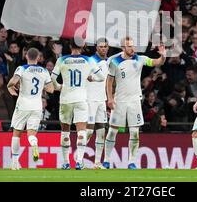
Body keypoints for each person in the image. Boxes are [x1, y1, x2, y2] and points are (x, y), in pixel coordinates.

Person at [103, 37, 166, 170]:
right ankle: (106, 160)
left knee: (135, 132)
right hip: (119, 101)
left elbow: (156, 62)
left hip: (135, 101)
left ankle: (132, 162)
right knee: (113, 131)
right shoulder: (115, 62)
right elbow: (109, 82)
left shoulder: (140, 59)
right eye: (129, 46)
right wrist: (110, 98)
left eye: (133, 46)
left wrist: (163, 56)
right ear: (123, 48)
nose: (133, 49)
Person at [51, 39, 105, 170]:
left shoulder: (62, 60)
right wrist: (91, 78)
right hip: (81, 99)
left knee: (65, 131)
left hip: (65, 99)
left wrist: (59, 87)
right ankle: (79, 161)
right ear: (82, 47)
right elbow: (102, 77)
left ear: (70, 46)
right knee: (81, 131)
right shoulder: (88, 60)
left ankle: (65, 162)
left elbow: (52, 78)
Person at [6, 48, 54, 171]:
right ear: (38, 58)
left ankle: (15, 163)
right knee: (31, 133)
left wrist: (11, 85)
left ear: (26, 56)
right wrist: (41, 85)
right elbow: (51, 89)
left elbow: (13, 81)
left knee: (17, 132)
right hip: (37, 105)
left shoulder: (22, 68)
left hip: (23, 104)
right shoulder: (44, 71)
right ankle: (34, 143)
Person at [85, 38, 110, 169]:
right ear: (96, 48)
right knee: (88, 132)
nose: (103, 48)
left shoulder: (109, 62)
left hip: (102, 100)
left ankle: (97, 163)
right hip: (90, 100)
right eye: (101, 46)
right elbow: (84, 77)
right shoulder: (90, 61)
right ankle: (79, 158)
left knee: (101, 132)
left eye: (105, 46)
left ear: (108, 48)